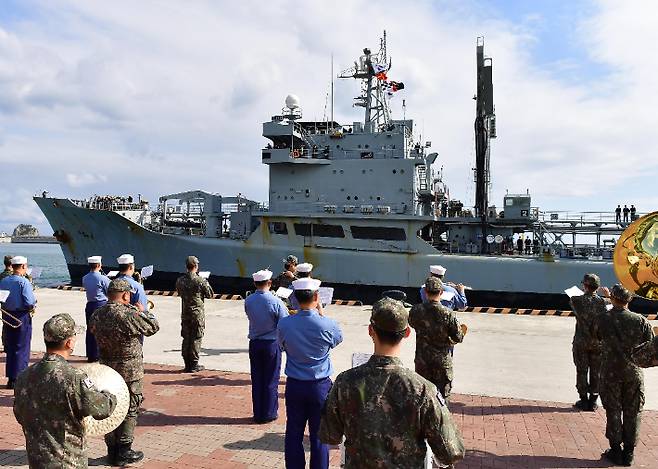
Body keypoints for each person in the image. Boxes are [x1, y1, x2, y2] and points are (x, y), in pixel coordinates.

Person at [319, 297, 465, 468]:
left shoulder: (345, 382)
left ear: (370, 331)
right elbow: (450, 452)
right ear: (407, 333)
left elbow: (330, 436)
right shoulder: (423, 389)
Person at [13, 313, 117, 467]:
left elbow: (20, 414)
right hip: (68, 463)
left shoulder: (24, 376)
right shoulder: (74, 377)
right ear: (69, 342)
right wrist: (110, 394)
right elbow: (102, 409)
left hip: (38, 462)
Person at [90, 278, 160, 466]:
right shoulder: (128, 315)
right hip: (129, 371)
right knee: (130, 409)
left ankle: (111, 450)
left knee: (110, 409)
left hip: (106, 371)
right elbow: (153, 327)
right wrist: (145, 312)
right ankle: (124, 450)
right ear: (125, 295)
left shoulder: (97, 314)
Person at [277, 277, 343, 469]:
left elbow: (280, 346)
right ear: (316, 297)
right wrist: (320, 314)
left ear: (295, 298)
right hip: (320, 386)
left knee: (294, 433)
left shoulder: (285, 324)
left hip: (295, 384)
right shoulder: (327, 324)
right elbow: (337, 340)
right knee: (319, 436)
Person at [596, 284, 654, 466]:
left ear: (612, 298)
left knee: (613, 411)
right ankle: (629, 453)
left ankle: (615, 450)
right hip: (633, 373)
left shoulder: (602, 318)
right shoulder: (641, 321)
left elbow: (596, 336)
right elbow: (651, 345)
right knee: (633, 411)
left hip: (610, 372)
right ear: (630, 300)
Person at [244, 269, 289, 423]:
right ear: (269, 283)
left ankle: (258, 412)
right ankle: (269, 413)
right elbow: (284, 322)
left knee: (257, 379)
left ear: (255, 283)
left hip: (255, 343)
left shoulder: (248, 300)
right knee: (271, 379)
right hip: (271, 344)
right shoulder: (276, 301)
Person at [410, 277, 465, 400]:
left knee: (423, 396)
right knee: (442, 399)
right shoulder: (448, 313)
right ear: (441, 292)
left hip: (422, 361)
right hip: (442, 363)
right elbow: (458, 337)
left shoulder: (416, 310)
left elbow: (412, 324)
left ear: (425, 292)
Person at [569, 273, 608, 411]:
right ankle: (593, 401)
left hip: (581, 341)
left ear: (585, 286)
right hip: (598, 342)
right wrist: (607, 296)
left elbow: (576, 302)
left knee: (581, 371)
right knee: (596, 372)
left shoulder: (575, 300)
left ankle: (583, 399)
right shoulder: (603, 302)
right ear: (597, 287)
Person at [0, 256, 36, 389]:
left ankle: (11, 378)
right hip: (21, 316)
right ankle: (20, 378)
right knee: (22, 347)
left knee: (11, 347)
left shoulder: (4, 280)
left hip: (7, 315)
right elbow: (29, 302)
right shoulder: (24, 282)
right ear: (22, 266)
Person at [175, 256, 214, 372]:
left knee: (186, 337)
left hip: (185, 313)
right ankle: (194, 364)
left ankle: (187, 364)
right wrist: (204, 281)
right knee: (196, 338)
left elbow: (179, 291)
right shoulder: (200, 281)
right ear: (196, 266)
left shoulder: (180, 280)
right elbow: (210, 294)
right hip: (197, 314)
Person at [81, 255, 110, 362]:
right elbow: (109, 291)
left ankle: (91, 354)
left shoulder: (85, 278)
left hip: (90, 304)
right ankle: (100, 354)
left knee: (90, 330)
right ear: (99, 265)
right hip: (101, 304)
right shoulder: (103, 278)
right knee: (101, 330)